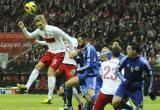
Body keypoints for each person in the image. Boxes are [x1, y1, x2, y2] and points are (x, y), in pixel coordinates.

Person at [17, 14, 74, 104]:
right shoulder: (39, 30)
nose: (39, 27)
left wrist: (72, 50)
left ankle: (49, 97)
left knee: (50, 72)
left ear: (44, 22)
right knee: (38, 66)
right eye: (37, 25)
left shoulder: (53, 29)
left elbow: (68, 38)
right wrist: (23, 28)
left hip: (59, 52)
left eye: (40, 25)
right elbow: (29, 36)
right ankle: (26, 88)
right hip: (50, 52)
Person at [112, 41, 156, 110]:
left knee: (140, 109)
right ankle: (130, 108)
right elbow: (117, 70)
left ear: (134, 51)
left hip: (136, 89)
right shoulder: (125, 59)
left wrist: (150, 88)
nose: (126, 50)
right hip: (125, 86)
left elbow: (150, 74)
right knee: (115, 102)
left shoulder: (143, 62)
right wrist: (124, 80)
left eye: (129, 49)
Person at [65, 33, 101, 109]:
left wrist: (76, 70)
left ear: (85, 40)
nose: (78, 43)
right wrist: (74, 57)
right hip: (83, 75)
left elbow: (89, 65)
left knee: (90, 99)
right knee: (67, 84)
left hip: (91, 75)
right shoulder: (83, 49)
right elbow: (80, 62)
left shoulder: (90, 49)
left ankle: (100, 106)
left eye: (80, 41)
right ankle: (69, 106)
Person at [94, 46, 133, 110]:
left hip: (104, 92)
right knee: (122, 106)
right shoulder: (122, 65)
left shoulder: (103, 64)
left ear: (111, 53)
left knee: (96, 108)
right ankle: (128, 107)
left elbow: (102, 77)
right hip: (117, 93)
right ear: (120, 54)